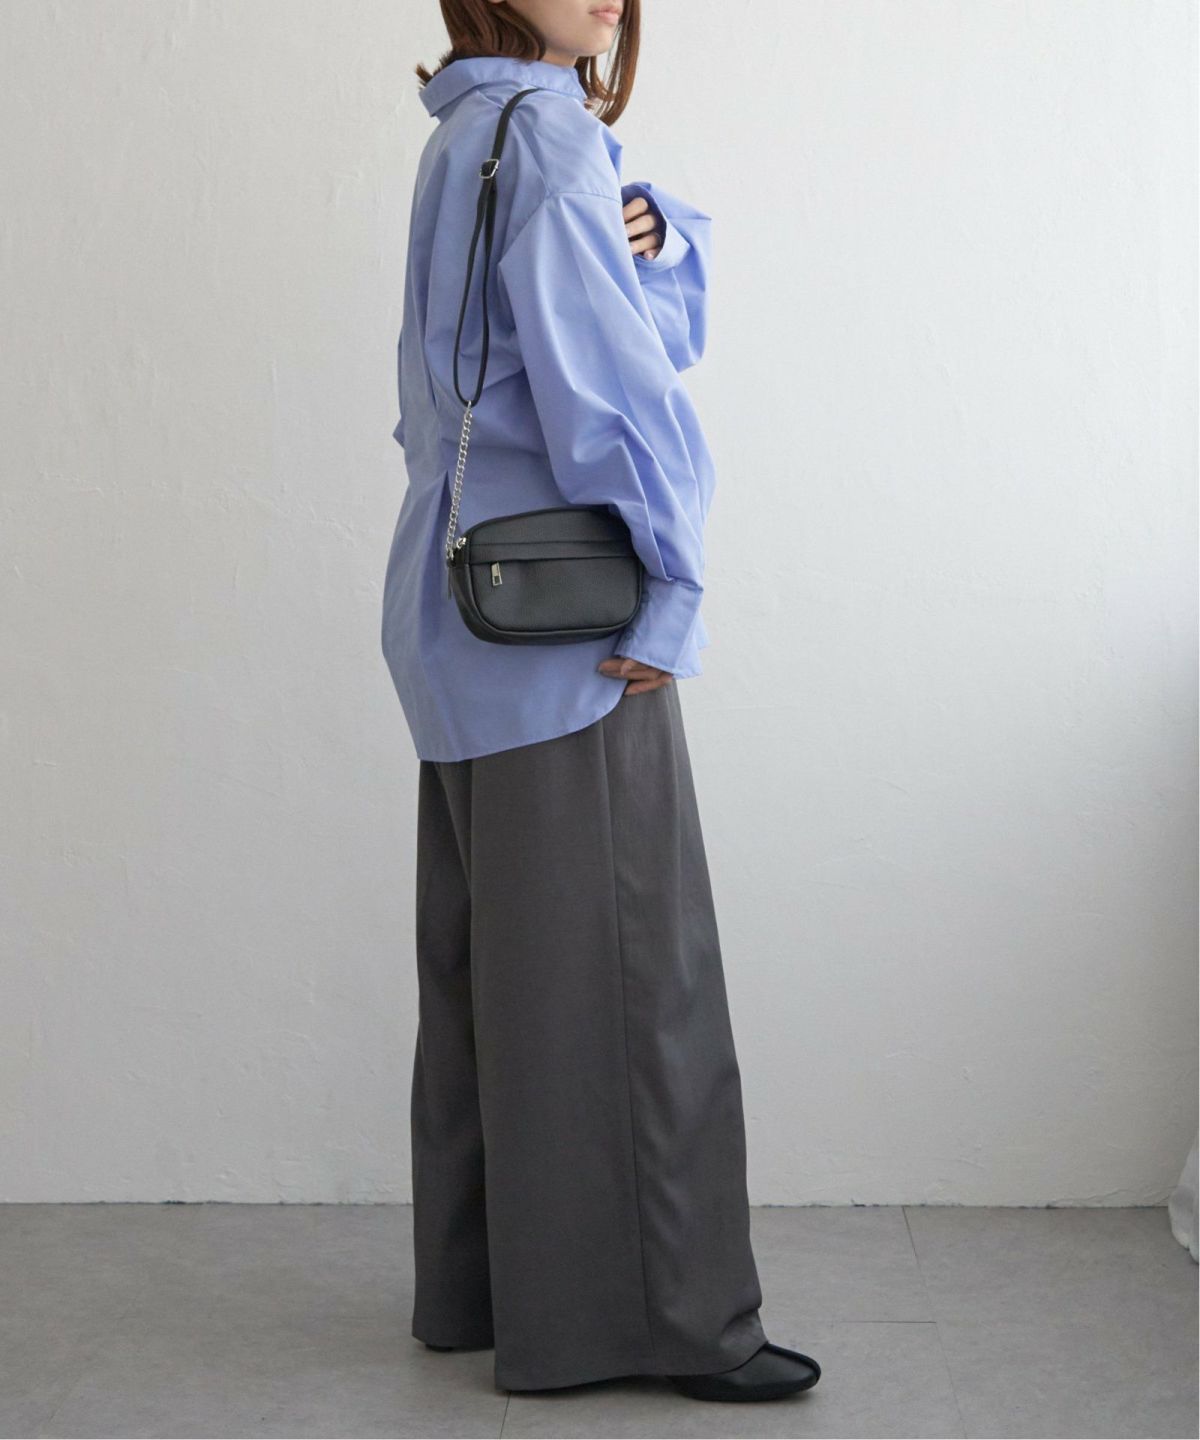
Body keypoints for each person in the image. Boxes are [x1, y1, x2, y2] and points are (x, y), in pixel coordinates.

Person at [381, 0, 821, 1404]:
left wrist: (661, 237)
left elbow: (467, 379)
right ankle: (666, 1326)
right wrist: (673, 581)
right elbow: (613, 393)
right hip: (567, 628)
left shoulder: (466, 132)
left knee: (499, 977)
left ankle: (479, 1293)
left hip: (458, 606)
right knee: (636, 981)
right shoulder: (553, 141)